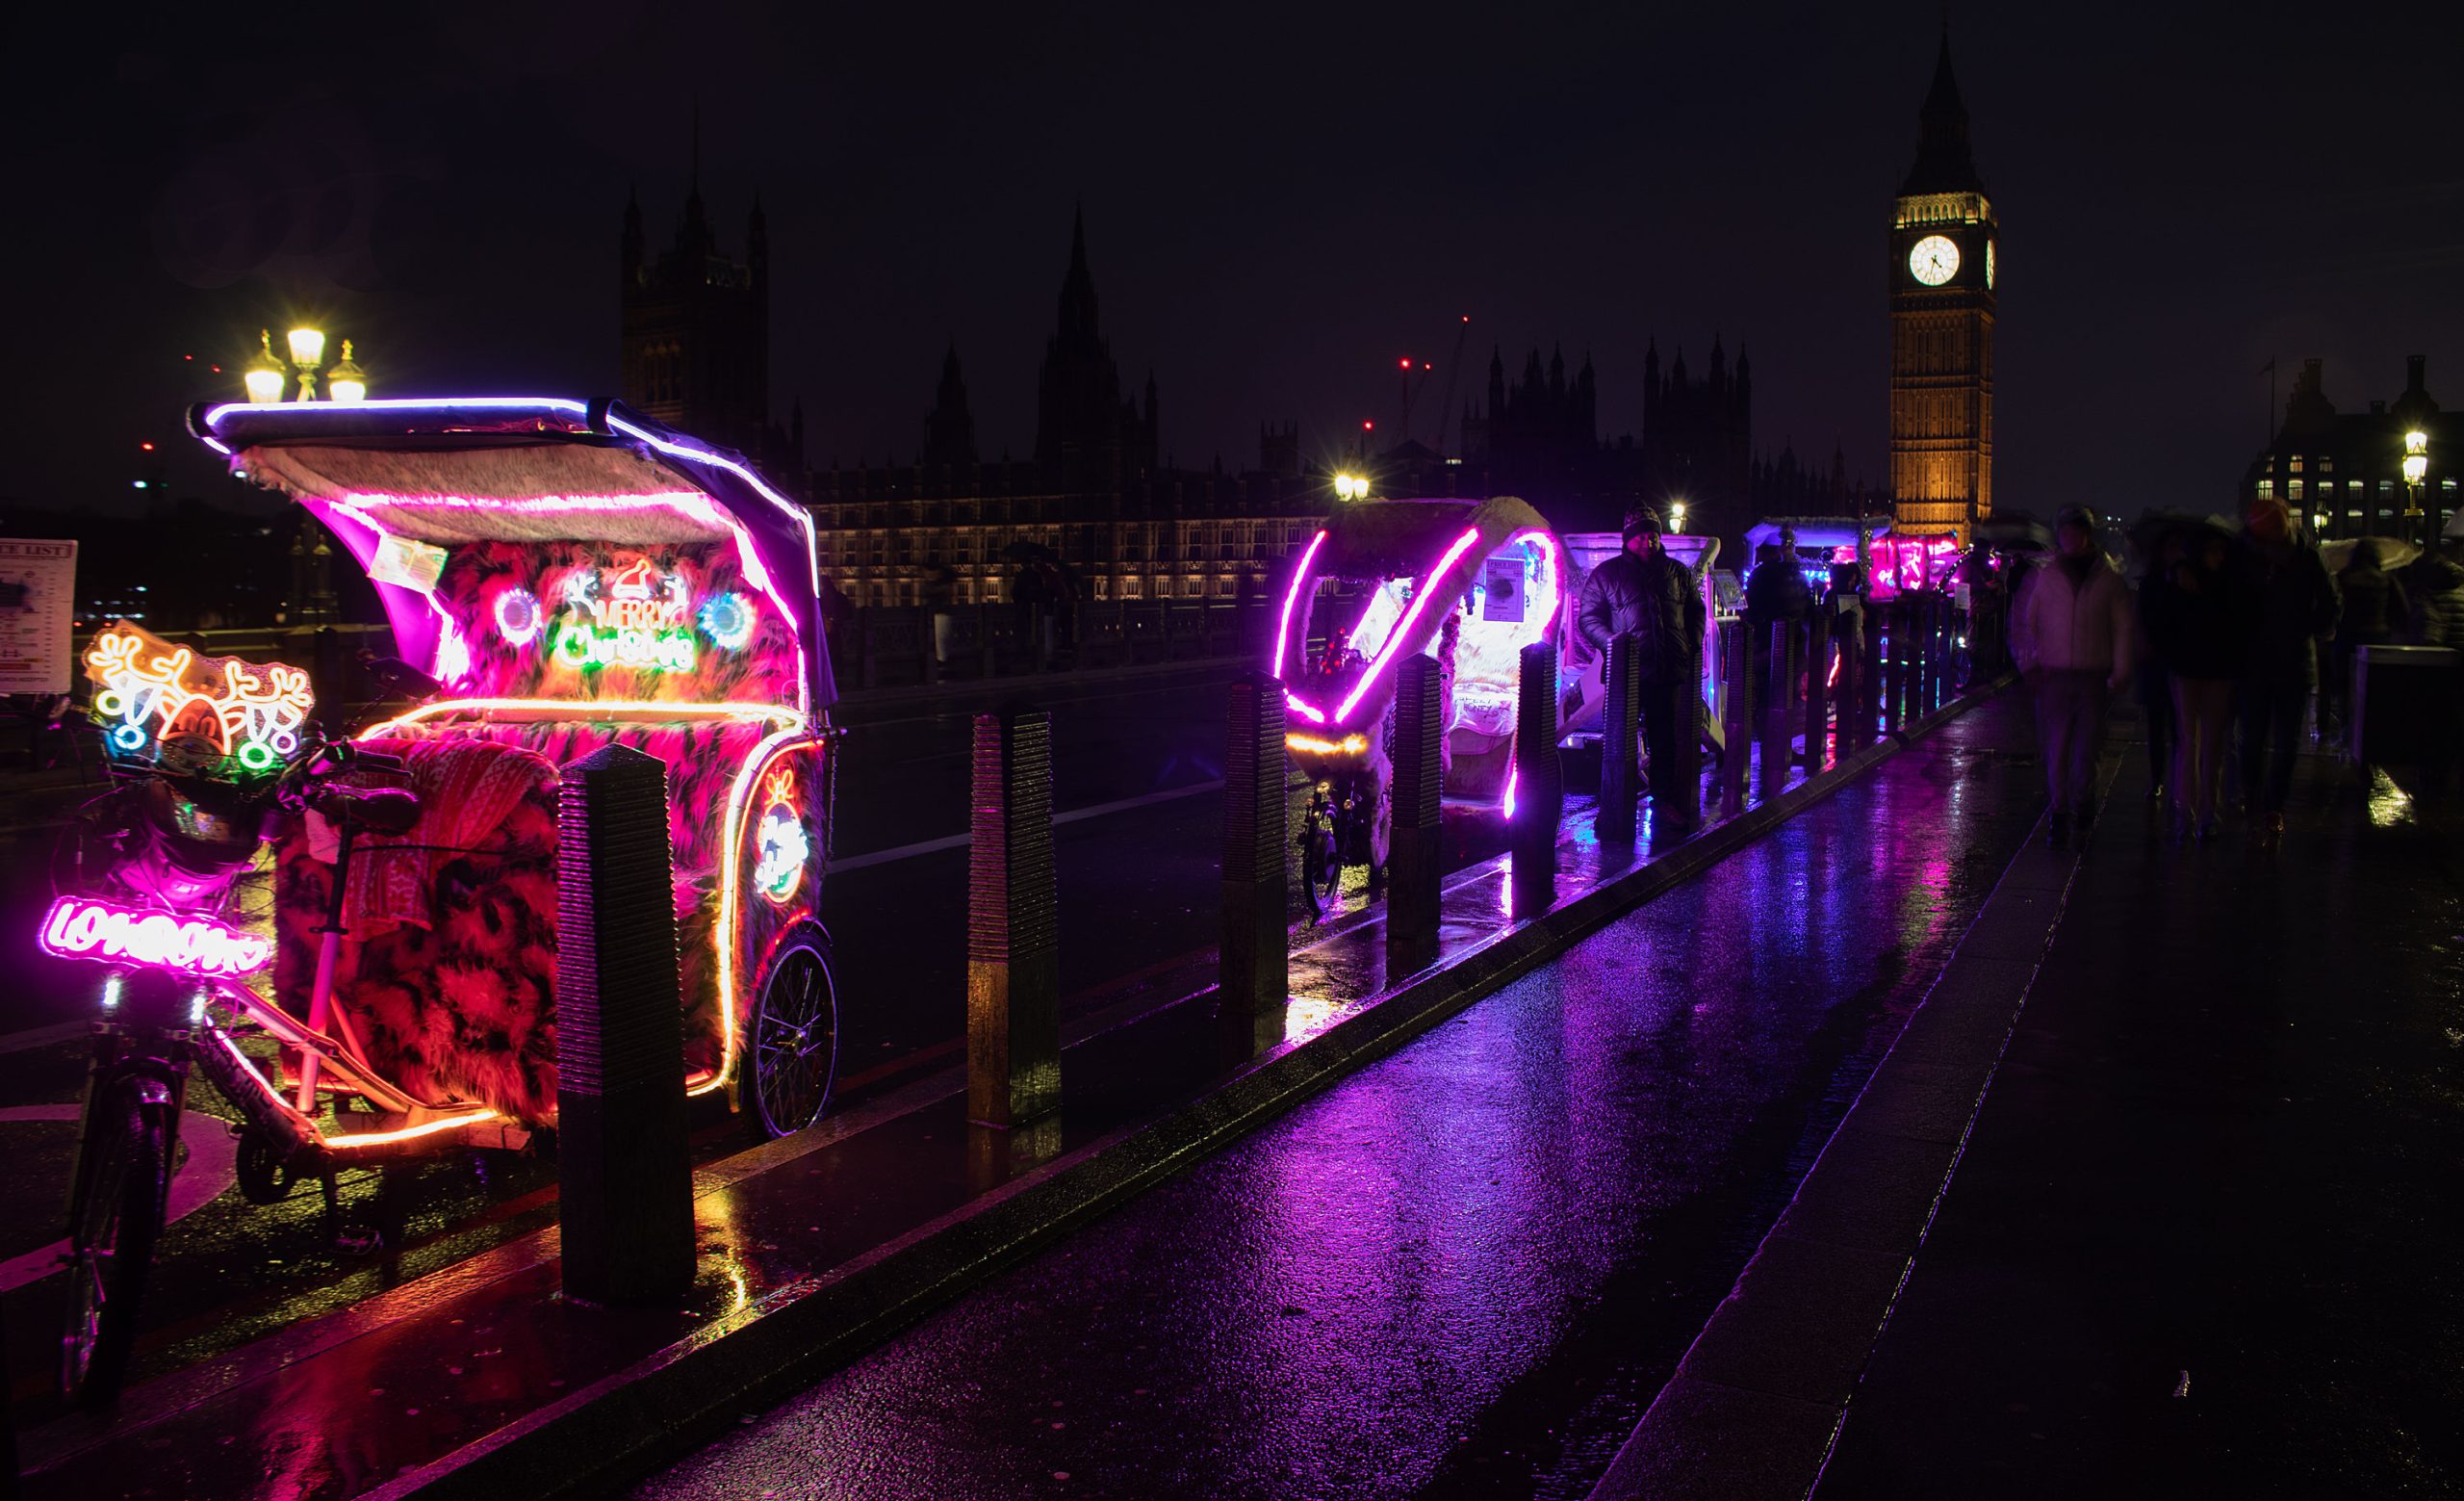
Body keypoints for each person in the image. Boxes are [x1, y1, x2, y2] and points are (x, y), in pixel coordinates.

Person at [1577, 505, 1707, 828]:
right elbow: (1589, 617)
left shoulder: (1678, 573)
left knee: (1666, 739)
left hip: (1668, 669)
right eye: (1640, 537)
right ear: (1627, 540)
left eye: (1653, 536)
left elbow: (1695, 610)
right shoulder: (1606, 574)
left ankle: (1664, 801)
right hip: (1626, 671)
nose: (1648, 542)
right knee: (1618, 738)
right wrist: (1615, 643)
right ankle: (1613, 806)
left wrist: (1690, 643)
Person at [2012, 505, 2132, 847]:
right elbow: (2023, 622)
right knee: (2057, 745)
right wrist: (2029, 663)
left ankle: (2083, 798)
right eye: (2064, 533)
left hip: (2093, 674)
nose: (2070, 539)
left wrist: (2121, 670)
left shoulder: (2108, 578)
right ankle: (2060, 808)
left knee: (2088, 746)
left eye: (2076, 533)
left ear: (2086, 535)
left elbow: (2123, 628)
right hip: (2054, 674)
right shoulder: (2046, 576)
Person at [2230, 496, 2338, 839]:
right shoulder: (2295, 554)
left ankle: (2270, 804)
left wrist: (2305, 626)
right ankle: (2259, 799)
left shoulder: (2301, 555)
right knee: (2257, 738)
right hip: (2262, 658)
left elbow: (2330, 603)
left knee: (2280, 741)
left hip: (2283, 658)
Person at [2143, 524, 2245, 840]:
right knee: (2192, 741)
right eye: (2212, 551)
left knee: (2207, 743)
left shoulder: (2223, 583)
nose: (2217, 557)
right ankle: (2190, 811)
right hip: (2191, 669)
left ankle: (2202, 813)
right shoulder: (2188, 582)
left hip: (2212, 670)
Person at [2133, 523, 2189, 806]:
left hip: (2181, 663)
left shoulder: (2189, 580)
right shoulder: (2153, 582)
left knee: (2182, 728)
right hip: (2157, 662)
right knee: (2156, 729)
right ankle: (2157, 780)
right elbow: (2143, 618)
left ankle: (2178, 782)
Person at [2327, 538, 2405, 735]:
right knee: (2375, 689)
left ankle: (2347, 725)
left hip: (2347, 637)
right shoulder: (2386, 580)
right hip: (2377, 640)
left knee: (2344, 686)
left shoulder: (2343, 577)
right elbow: (2402, 611)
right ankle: (2372, 731)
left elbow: (2333, 607)